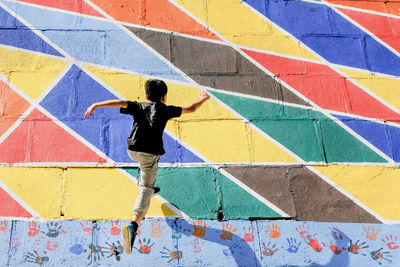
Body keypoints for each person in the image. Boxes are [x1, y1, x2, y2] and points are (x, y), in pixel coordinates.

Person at [84, 79, 210, 254]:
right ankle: (133, 225)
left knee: (146, 171)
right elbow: (191, 108)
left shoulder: (139, 106)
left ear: (146, 96)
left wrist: (96, 105)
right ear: (164, 97)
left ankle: (149, 187)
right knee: (146, 186)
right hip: (149, 154)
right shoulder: (166, 109)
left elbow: (119, 102)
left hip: (132, 150)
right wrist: (203, 98)